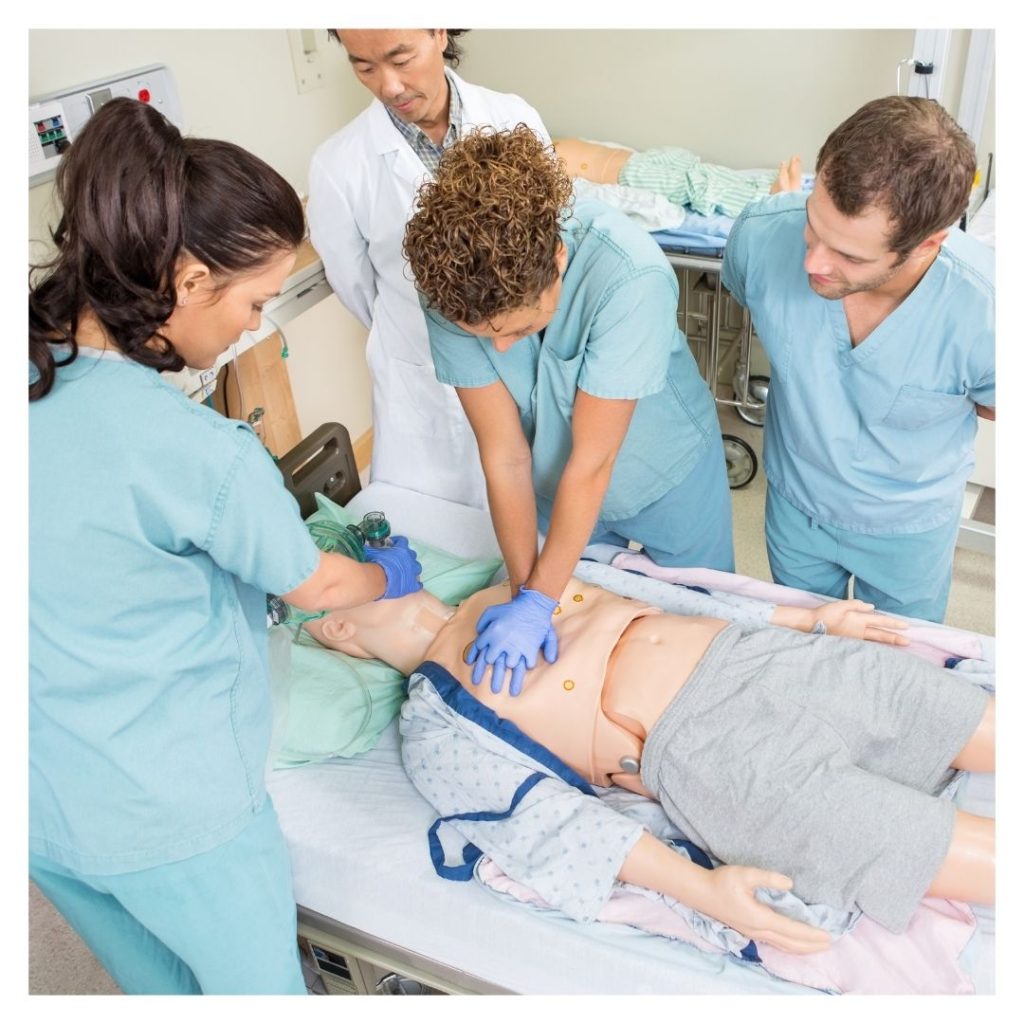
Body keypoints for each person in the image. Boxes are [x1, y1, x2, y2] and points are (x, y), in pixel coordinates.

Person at [28, 98, 423, 995]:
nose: (253, 327)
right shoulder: (203, 455)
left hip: (43, 795)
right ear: (191, 278)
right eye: (252, 301)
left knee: (160, 988)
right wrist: (383, 573)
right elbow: (319, 584)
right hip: (173, 815)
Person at [301, 571, 993, 953]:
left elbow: (657, 599)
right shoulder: (433, 725)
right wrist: (703, 893)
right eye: (342, 563)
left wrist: (807, 621)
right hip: (723, 765)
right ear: (333, 623)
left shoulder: (513, 569)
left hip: (772, 660)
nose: (379, 551)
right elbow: (551, 824)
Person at [403, 125, 734, 696]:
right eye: (485, 338)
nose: (503, 350)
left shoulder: (629, 276)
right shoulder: (449, 288)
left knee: (705, 621)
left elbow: (593, 462)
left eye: (522, 329)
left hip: (662, 467)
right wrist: (525, 590)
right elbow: (504, 456)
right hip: (553, 477)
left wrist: (538, 600)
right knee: (578, 608)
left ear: (558, 260)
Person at [721, 96, 995, 623]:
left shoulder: (988, 313)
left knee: (900, 665)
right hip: (795, 504)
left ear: (927, 245)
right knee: (802, 647)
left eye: (849, 255)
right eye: (813, 226)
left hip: (907, 529)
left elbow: (995, 405)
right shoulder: (759, 237)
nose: (812, 263)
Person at [307, 29, 550, 508]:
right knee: (437, 537)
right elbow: (356, 288)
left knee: (535, 520)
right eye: (364, 67)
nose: (389, 86)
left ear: (439, 31)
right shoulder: (338, 165)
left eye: (401, 58)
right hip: (422, 380)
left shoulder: (512, 117)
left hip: (520, 364)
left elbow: (546, 245)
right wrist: (420, 335)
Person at [554, 138, 805, 217]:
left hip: (635, 160)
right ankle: (762, 195)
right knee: (689, 185)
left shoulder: (534, 141)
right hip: (627, 173)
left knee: (697, 171)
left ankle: (762, 184)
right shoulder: (535, 166)